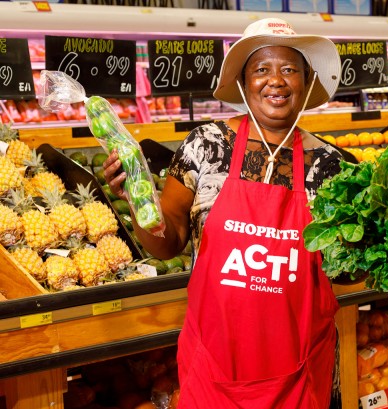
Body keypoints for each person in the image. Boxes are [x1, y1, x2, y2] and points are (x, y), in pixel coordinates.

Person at [103, 18, 349, 408]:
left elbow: (344, 272)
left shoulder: (332, 165)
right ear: (243, 82)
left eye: (289, 70)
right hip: (213, 370)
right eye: (262, 69)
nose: (276, 81)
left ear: (306, 82)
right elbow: (168, 244)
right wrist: (137, 200)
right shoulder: (206, 145)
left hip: (301, 373)